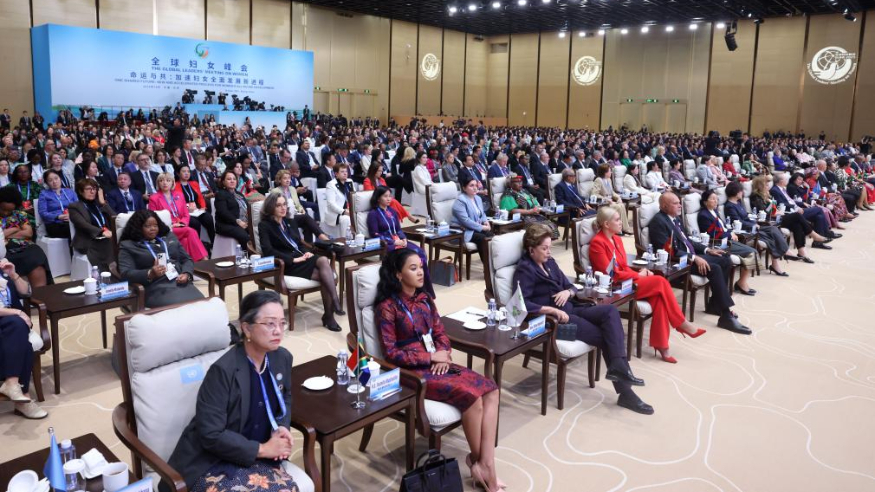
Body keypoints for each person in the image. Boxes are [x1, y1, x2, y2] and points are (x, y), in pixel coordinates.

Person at [376, 249, 502, 491]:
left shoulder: (425, 299)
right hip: (412, 372)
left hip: (438, 362)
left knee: (491, 390)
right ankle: (483, 465)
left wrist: (443, 352)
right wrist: (430, 356)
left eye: (420, 267)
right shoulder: (388, 307)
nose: (420, 272)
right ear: (398, 274)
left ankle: (484, 464)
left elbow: (440, 332)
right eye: (413, 268)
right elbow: (391, 353)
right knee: (472, 398)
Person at [512, 223, 653, 413]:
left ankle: (619, 368)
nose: (549, 252)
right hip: (556, 323)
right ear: (531, 250)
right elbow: (521, 305)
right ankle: (626, 392)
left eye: (549, 247)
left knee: (610, 312)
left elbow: (570, 285)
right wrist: (551, 310)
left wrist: (567, 292)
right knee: (606, 336)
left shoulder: (550, 263)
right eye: (544, 248)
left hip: (573, 308)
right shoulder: (525, 270)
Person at [167, 290, 298, 492]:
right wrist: (262, 449)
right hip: (214, 462)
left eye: (282, 323)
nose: (278, 331)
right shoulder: (222, 371)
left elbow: (285, 397)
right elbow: (211, 434)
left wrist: (281, 426)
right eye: (270, 324)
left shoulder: (282, 358)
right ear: (246, 328)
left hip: (258, 456)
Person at [589, 207, 706, 363]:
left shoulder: (617, 239)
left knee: (659, 299)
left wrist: (641, 272)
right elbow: (611, 274)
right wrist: (638, 275)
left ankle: (662, 346)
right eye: (617, 220)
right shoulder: (597, 243)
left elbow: (623, 267)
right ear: (606, 224)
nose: (621, 222)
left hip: (628, 281)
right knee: (660, 281)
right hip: (614, 287)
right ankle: (681, 323)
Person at [649, 193, 752, 334]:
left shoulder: (675, 218)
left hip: (692, 256)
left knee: (725, 258)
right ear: (664, 206)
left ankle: (715, 305)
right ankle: (726, 315)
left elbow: (688, 241)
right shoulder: (659, 222)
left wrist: (707, 250)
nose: (680, 206)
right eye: (675, 203)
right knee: (714, 268)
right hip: (679, 263)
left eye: (679, 202)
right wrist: (694, 258)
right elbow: (668, 251)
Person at [258, 193, 342, 332]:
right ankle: (331, 313)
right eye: (278, 205)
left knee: (322, 260)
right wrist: (293, 259)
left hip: (301, 258)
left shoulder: (289, 222)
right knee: (324, 274)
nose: (283, 208)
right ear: (271, 207)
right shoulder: (265, 225)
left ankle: (331, 309)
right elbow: (268, 251)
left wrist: (306, 253)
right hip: (286, 264)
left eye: (284, 204)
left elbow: (298, 244)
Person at [118, 210, 204, 308]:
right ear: (138, 227)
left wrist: (186, 274)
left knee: (202, 304)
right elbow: (125, 274)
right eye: (148, 226)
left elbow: (186, 259)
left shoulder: (169, 237)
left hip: (180, 282)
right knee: (184, 308)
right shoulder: (128, 245)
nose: (153, 229)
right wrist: (150, 273)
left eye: (155, 225)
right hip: (156, 288)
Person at [0, 258, 47, 419]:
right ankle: (23, 397)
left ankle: (13, 386)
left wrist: (13, 275)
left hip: (11, 322)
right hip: (11, 319)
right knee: (19, 328)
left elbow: (27, 292)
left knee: (21, 337)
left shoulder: (2, 268)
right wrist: (18, 312)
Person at [367, 186, 435, 297]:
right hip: (387, 244)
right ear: (378, 198)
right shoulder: (373, 214)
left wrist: (403, 238)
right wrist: (393, 242)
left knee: (420, 253)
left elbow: (398, 229)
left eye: (390, 196)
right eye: (385, 196)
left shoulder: (392, 211)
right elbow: (374, 234)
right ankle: (416, 289)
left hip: (399, 241)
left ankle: (423, 290)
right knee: (408, 258)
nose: (389, 199)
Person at [722, 182, 791, 278]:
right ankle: (784, 253)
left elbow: (746, 217)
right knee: (771, 232)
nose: (742, 193)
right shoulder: (729, 206)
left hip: (752, 227)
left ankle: (780, 258)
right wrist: (753, 225)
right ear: (736, 192)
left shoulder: (738, 203)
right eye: (741, 191)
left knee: (773, 230)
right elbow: (737, 221)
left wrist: (754, 222)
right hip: (745, 230)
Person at [750, 175, 824, 264]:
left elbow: (774, 208)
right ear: (760, 186)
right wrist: (776, 212)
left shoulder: (766, 195)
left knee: (797, 224)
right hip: (770, 221)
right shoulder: (755, 196)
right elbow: (764, 211)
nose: (768, 186)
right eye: (766, 184)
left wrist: (777, 211)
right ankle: (813, 235)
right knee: (797, 216)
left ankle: (801, 252)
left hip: (777, 218)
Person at [697, 189, 758, 295]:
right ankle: (741, 283)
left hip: (727, 241)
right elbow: (713, 234)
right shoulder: (704, 215)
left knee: (753, 252)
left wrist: (731, 232)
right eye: (712, 199)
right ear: (705, 202)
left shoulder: (714, 211)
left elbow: (724, 227)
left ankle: (741, 282)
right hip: (719, 244)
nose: (716, 201)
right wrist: (730, 235)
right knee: (752, 253)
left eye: (716, 199)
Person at [148, 173, 208, 262]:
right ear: (158, 183)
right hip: (166, 228)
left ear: (172, 183)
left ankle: (190, 263)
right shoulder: (154, 198)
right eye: (161, 181)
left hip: (181, 225)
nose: (165, 183)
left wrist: (182, 223)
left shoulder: (179, 194)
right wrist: (171, 225)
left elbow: (186, 214)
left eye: (168, 180)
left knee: (185, 240)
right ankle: (204, 259)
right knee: (191, 231)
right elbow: (153, 218)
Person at [770, 173, 835, 244]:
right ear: (781, 181)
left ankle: (818, 242)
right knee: (819, 209)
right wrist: (796, 208)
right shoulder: (775, 190)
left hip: (795, 208)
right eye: (786, 179)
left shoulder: (782, 189)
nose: (787, 180)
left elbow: (791, 201)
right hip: (790, 212)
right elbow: (781, 203)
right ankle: (825, 233)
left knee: (819, 217)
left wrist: (801, 203)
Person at [68, 178, 116, 273]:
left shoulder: (98, 204)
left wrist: (103, 203)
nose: (92, 191)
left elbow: (115, 218)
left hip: (105, 237)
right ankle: (107, 273)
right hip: (88, 240)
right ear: (80, 191)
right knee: (109, 244)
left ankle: (116, 271)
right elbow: (82, 224)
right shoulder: (75, 206)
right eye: (88, 189)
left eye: (94, 189)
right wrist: (101, 232)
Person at [452, 175, 494, 266]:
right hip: (463, 231)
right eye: (471, 186)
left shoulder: (478, 198)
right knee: (482, 238)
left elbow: (482, 214)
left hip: (474, 229)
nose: (475, 188)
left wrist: (486, 222)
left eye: (476, 185)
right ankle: (487, 267)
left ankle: (494, 263)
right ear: (464, 188)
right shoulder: (460, 201)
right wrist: (482, 227)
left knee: (491, 235)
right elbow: (465, 221)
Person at [176, 165, 216, 245]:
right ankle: (197, 245)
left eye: (188, 171)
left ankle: (213, 243)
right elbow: (176, 202)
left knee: (209, 218)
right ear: (178, 173)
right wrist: (186, 208)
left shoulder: (194, 183)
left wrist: (203, 207)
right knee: (195, 223)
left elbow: (200, 198)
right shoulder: (175, 185)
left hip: (197, 210)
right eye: (184, 171)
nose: (186, 173)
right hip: (185, 211)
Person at [214, 170, 251, 251]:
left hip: (243, 222)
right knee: (244, 236)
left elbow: (246, 208)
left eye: (234, 179)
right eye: (229, 179)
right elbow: (223, 212)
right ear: (223, 182)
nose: (232, 181)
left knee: (258, 231)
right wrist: (237, 221)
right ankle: (249, 255)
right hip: (226, 224)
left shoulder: (239, 194)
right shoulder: (220, 194)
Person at [591, 164, 632, 235]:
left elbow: (612, 192)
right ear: (605, 172)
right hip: (603, 204)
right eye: (610, 171)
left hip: (610, 203)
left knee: (621, 205)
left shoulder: (609, 180)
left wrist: (618, 197)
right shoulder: (598, 180)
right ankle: (620, 230)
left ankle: (624, 228)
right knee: (619, 207)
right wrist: (605, 199)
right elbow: (594, 194)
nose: (611, 172)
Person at [37, 169, 78, 239]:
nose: (54, 182)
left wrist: (72, 216)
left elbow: (78, 207)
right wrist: (58, 216)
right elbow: (43, 213)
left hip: (72, 220)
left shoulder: (70, 192)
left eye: (56, 178)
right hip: (55, 223)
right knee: (73, 228)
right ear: (47, 183)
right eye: (50, 180)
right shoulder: (44, 194)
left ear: (60, 178)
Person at [325, 163, 354, 235]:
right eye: (342, 172)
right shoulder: (331, 185)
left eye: (346, 171)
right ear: (336, 174)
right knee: (346, 218)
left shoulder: (350, 182)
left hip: (350, 209)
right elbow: (331, 204)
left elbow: (355, 197)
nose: (345, 173)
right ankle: (345, 239)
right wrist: (344, 212)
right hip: (337, 213)